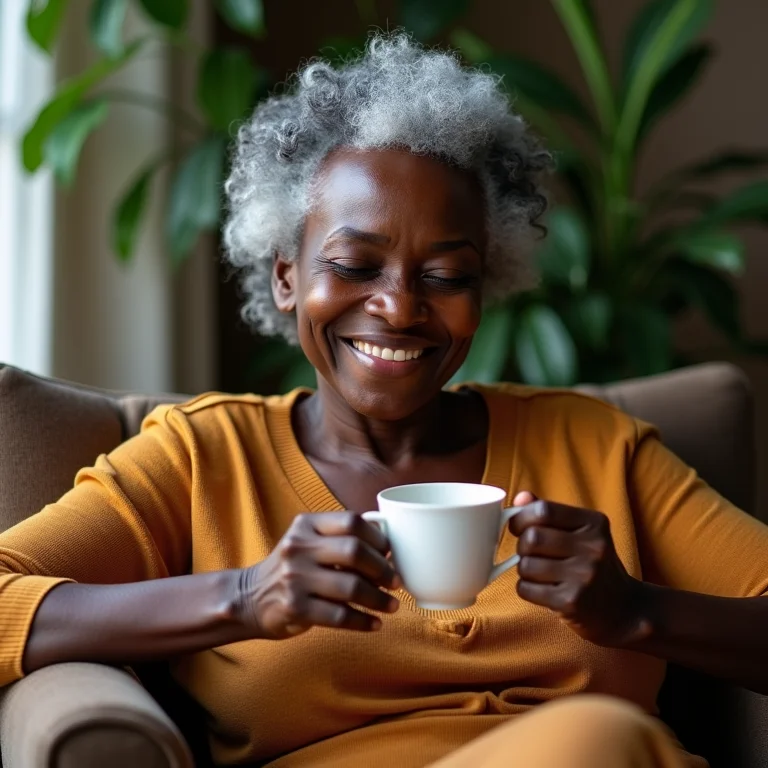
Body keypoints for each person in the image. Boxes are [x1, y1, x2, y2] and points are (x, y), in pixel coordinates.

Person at [1, 33, 767, 768]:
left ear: (487, 286)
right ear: (285, 276)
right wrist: (241, 595)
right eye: (356, 264)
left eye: (446, 276)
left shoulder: (596, 448)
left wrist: (635, 610)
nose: (400, 308)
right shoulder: (204, 461)